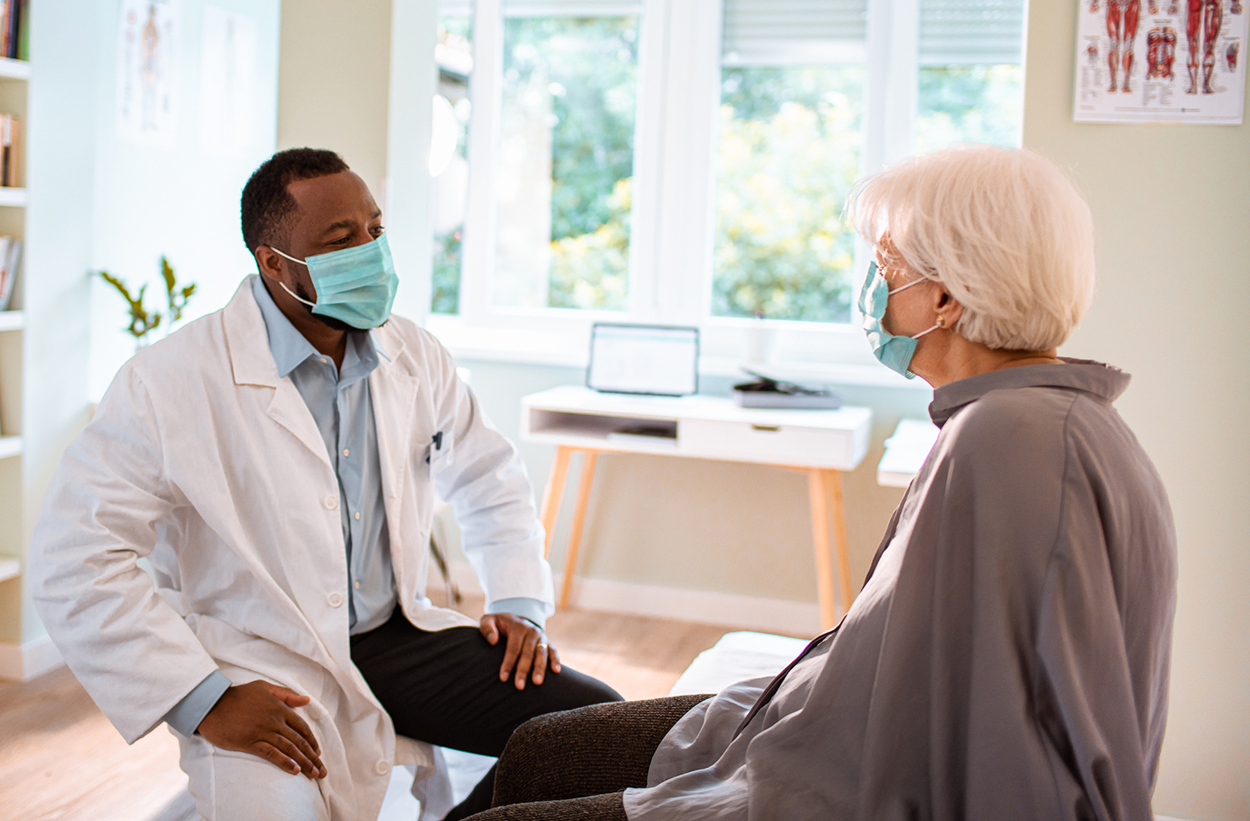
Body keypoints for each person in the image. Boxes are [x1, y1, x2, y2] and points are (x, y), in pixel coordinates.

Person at [462, 145, 1178, 821]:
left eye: (886, 265)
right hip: (820, 721)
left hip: (838, 778)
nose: (873, 288)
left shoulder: (1012, 440)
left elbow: (1013, 745)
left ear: (946, 299)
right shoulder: (1033, 420)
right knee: (539, 745)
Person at [30, 148, 621, 821]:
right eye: (341, 241)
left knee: (598, 733)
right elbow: (72, 557)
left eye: (375, 230)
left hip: (399, 638)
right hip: (264, 656)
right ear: (274, 263)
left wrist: (518, 599)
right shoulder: (168, 380)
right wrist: (205, 698)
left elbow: (488, 472)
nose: (371, 252)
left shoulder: (413, 354)